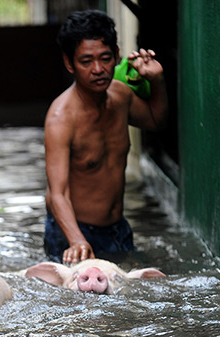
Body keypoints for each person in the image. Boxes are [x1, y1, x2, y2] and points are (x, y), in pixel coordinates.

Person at [43, 10, 168, 264]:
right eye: (86, 61)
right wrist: (76, 240)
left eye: (105, 58)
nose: (98, 69)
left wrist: (157, 80)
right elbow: (58, 194)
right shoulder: (60, 118)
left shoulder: (121, 97)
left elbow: (156, 121)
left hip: (117, 228)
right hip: (73, 233)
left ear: (117, 55)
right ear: (70, 63)